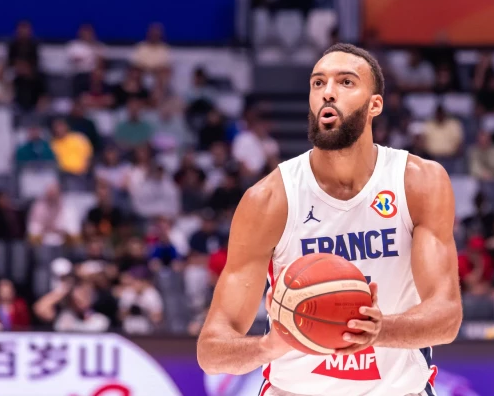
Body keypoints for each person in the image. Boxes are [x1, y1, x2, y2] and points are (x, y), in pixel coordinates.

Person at [197, 43, 462, 396]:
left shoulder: (418, 182)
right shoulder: (269, 199)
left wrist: (378, 330)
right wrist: (266, 348)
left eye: (346, 82)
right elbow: (212, 350)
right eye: (318, 83)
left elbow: (446, 318)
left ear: (375, 105)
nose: (328, 93)